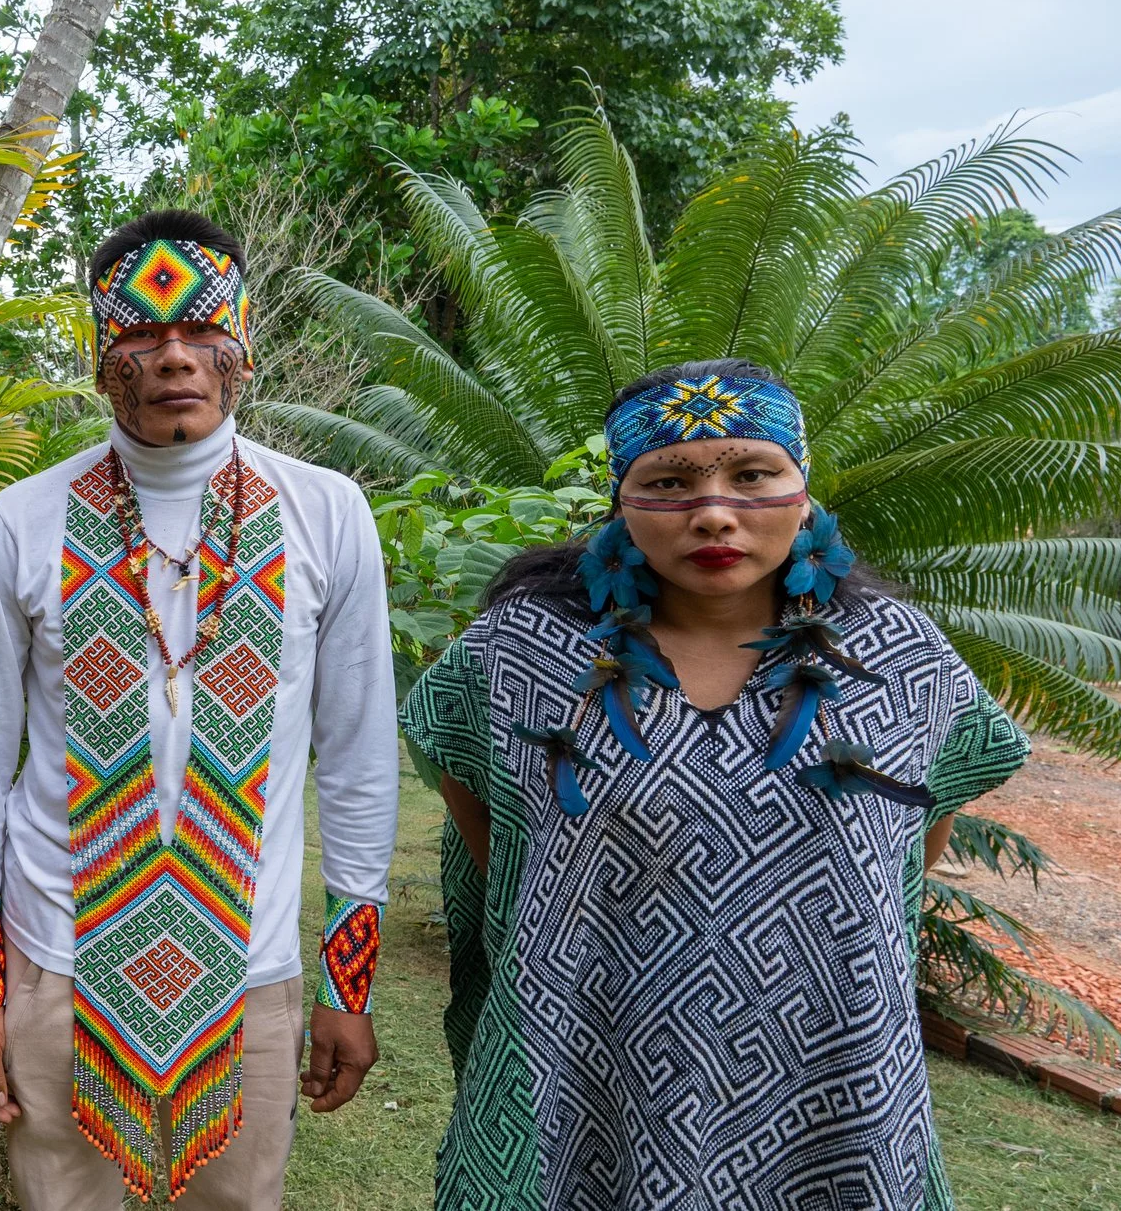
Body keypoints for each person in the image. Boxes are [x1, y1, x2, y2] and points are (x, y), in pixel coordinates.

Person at [408, 358, 1033, 1210]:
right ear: (621, 503)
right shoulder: (525, 649)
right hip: (581, 1055)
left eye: (753, 474)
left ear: (802, 488)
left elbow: (914, 847)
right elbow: (478, 804)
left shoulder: (898, 657)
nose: (713, 510)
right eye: (668, 479)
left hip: (828, 1069)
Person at [0, 209, 400, 1207]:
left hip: (250, 963)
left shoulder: (325, 512)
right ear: (104, 358)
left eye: (200, 329)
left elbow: (359, 758)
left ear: (242, 345)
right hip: (56, 959)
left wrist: (344, 982)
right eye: (142, 337)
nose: (174, 356)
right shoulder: (22, 521)